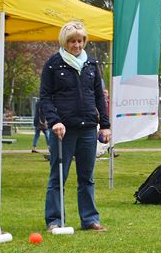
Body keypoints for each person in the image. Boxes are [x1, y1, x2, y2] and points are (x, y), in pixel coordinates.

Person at [39, 21, 111, 232]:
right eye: (72, 41)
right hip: (63, 130)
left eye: (80, 41)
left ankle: (89, 219)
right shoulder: (53, 64)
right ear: (65, 41)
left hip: (88, 127)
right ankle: (54, 220)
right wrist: (54, 121)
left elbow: (99, 95)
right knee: (57, 177)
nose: (77, 45)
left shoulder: (91, 64)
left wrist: (104, 125)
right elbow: (45, 96)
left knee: (87, 177)